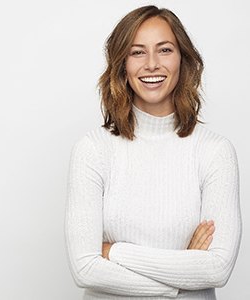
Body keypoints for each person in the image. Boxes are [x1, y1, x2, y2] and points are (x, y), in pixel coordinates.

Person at [64, 5, 242, 300]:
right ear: (122, 64)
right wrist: (182, 279)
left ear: (183, 60)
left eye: (164, 50)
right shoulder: (93, 149)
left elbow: (217, 269)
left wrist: (113, 251)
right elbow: (85, 268)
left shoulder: (215, 152)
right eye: (137, 52)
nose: (151, 64)